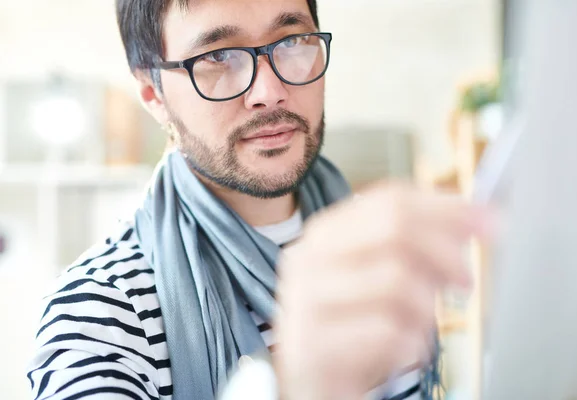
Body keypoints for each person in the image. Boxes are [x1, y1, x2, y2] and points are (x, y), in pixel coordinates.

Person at [27, 0, 492, 399]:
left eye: (291, 42)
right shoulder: (98, 310)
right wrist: (290, 385)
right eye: (218, 56)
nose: (269, 92)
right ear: (154, 93)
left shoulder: (377, 251)